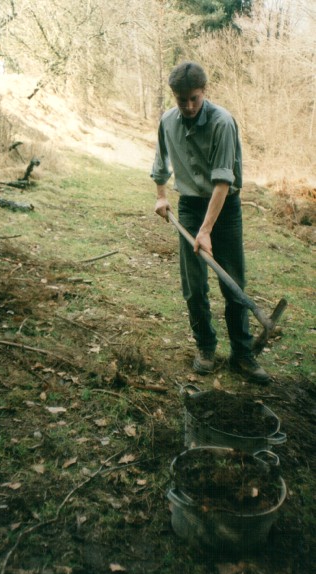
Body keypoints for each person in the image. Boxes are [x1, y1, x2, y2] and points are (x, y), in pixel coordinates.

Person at [151, 61, 269, 384]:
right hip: (189, 206)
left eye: (195, 99)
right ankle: (205, 347)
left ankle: (242, 354)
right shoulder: (167, 121)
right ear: (174, 95)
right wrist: (162, 195)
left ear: (205, 92)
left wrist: (206, 230)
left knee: (232, 283)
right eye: (182, 100)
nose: (189, 107)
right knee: (194, 286)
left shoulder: (223, 123)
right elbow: (160, 163)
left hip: (224, 207)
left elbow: (222, 183)